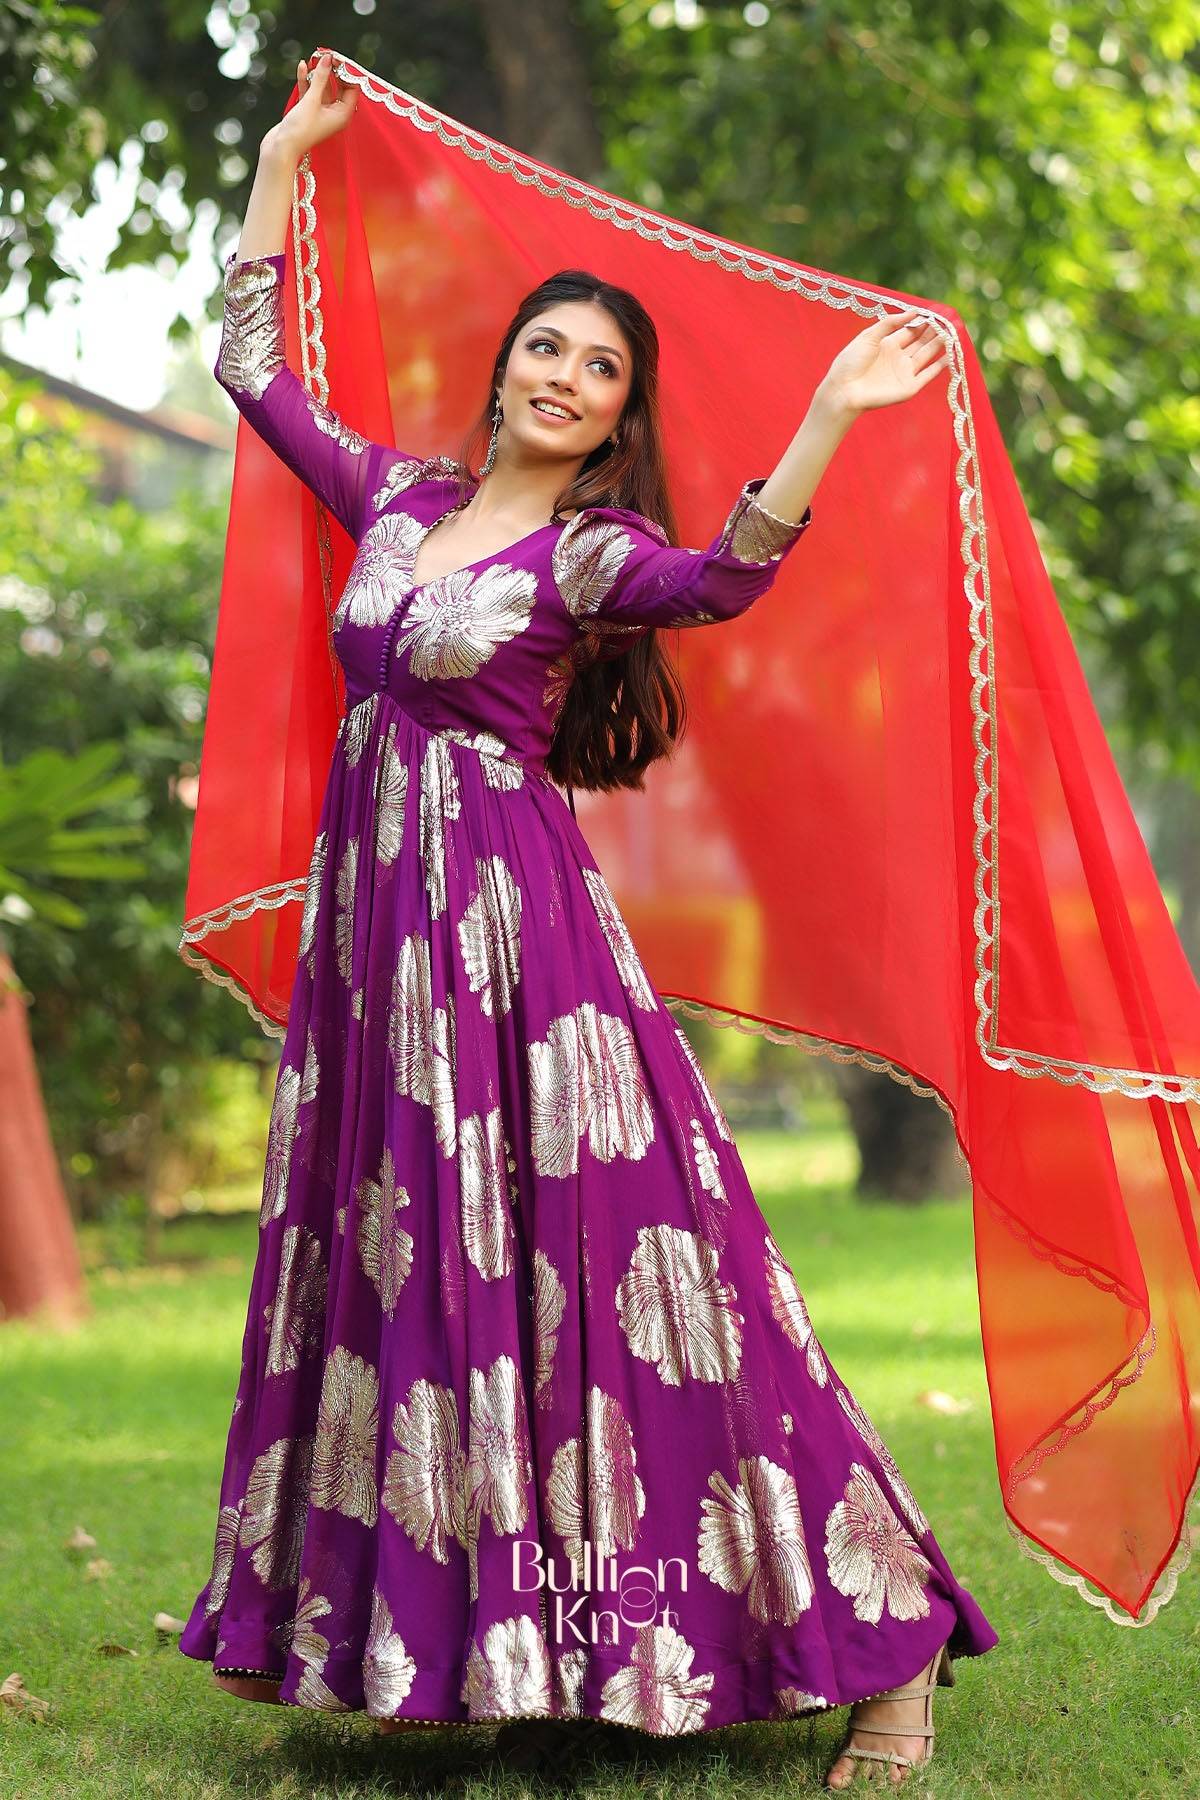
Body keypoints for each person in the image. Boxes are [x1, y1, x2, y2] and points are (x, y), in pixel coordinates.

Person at [178, 50, 999, 1788]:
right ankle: (424, 1631)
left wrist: (831, 415)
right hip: (378, 945)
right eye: (546, 346)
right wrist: (277, 160)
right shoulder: (395, 501)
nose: (565, 376)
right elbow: (247, 369)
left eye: (599, 368)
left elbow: (733, 578)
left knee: (645, 1278)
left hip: (516, 949)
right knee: (413, 1270)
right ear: (507, 369)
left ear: (619, 414)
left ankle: (893, 1640)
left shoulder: (591, 556)